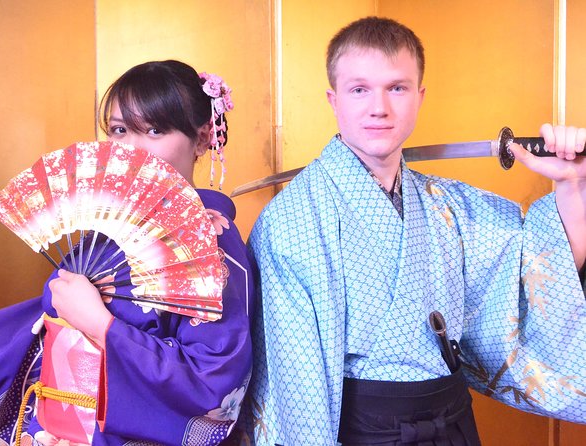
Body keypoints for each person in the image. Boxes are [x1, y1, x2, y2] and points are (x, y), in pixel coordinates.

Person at [243, 16, 586, 446]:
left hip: (452, 421)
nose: (379, 107)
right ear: (333, 100)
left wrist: (572, 185)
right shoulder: (292, 221)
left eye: (397, 88)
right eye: (359, 89)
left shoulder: (450, 206)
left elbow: (543, 272)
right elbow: (297, 390)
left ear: (420, 96)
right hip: (361, 431)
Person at [0, 60, 255, 446]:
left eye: (155, 130)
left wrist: (101, 325)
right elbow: (49, 314)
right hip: (50, 428)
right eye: (119, 130)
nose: (130, 148)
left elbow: (213, 376)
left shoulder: (209, 246)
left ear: (201, 139)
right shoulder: (106, 231)